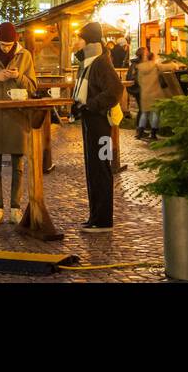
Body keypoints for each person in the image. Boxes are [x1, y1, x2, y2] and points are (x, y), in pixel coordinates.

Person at [0, 22, 37, 227]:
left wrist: (18, 76)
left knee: (18, 164)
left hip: (17, 116)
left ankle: (15, 208)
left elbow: (33, 87)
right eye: (2, 44)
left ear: (15, 42)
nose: (5, 48)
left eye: (9, 44)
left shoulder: (25, 56)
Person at [72, 21, 123, 232]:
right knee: (93, 168)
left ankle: (103, 220)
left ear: (88, 40)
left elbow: (115, 90)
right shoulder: (88, 62)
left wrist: (91, 105)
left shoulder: (100, 62)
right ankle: (95, 216)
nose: (76, 41)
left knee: (101, 168)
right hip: (90, 120)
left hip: (100, 122)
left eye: (79, 38)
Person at [131, 47, 173, 139]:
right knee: (155, 113)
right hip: (155, 92)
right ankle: (153, 134)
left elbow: (139, 80)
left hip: (145, 93)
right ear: (152, 58)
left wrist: (145, 87)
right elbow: (167, 67)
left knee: (144, 113)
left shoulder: (141, 67)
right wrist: (175, 64)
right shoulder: (155, 65)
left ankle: (140, 133)